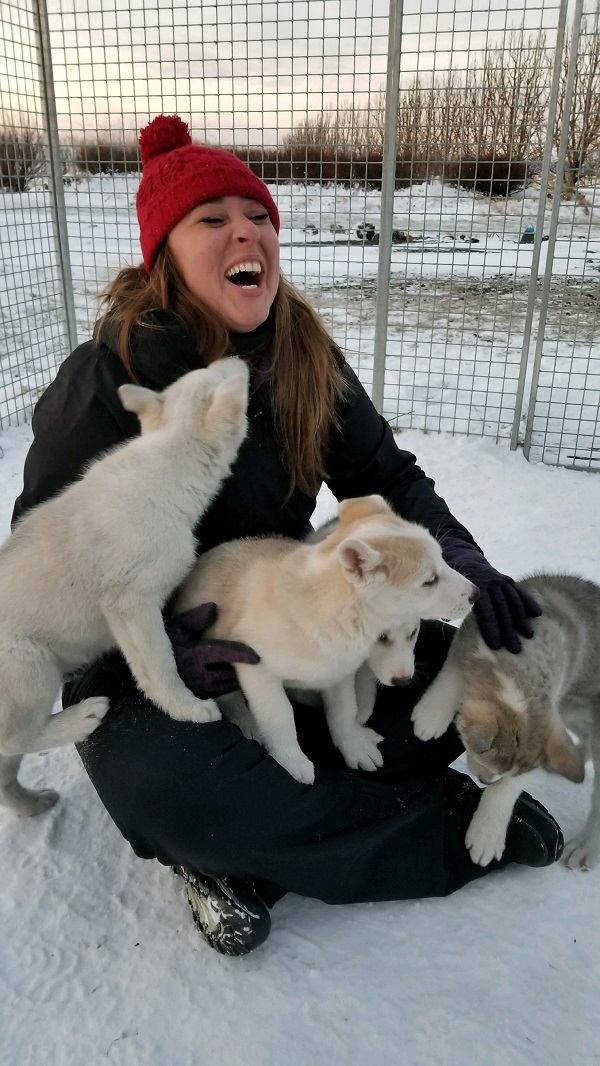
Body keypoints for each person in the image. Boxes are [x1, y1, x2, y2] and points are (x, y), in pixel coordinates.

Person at [12, 115, 563, 957]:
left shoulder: (305, 359)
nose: (247, 232)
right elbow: (45, 565)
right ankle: (428, 829)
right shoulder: (106, 379)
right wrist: (161, 654)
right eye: (213, 218)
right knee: (174, 788)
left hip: (288, 615)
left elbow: (390, 481)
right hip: (148, 663)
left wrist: (466, 565)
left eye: (259, 215)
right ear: (165, 251)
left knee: (472, 685)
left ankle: (249, 844)